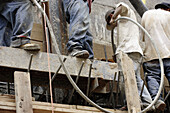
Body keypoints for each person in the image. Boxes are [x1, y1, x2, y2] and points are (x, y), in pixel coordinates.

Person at [105, 2, 153, 110]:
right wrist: (117, 53)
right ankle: (146, 102)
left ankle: (137, 103)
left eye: (110, 19)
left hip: (129, 51)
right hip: (131, 51)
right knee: (135, 78)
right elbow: (112, 29)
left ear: (112, 15)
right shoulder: (123, 24)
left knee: (128, 78)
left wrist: (114, 17)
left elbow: (121, 7)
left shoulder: (124, 13)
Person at [142, 2, 170, 111]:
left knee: (153, 77)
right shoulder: (168, 15)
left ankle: (157, 100)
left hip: (151, 53)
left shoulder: (146, 15)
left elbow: (144, 37)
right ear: (167, 9)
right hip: (168, 53)